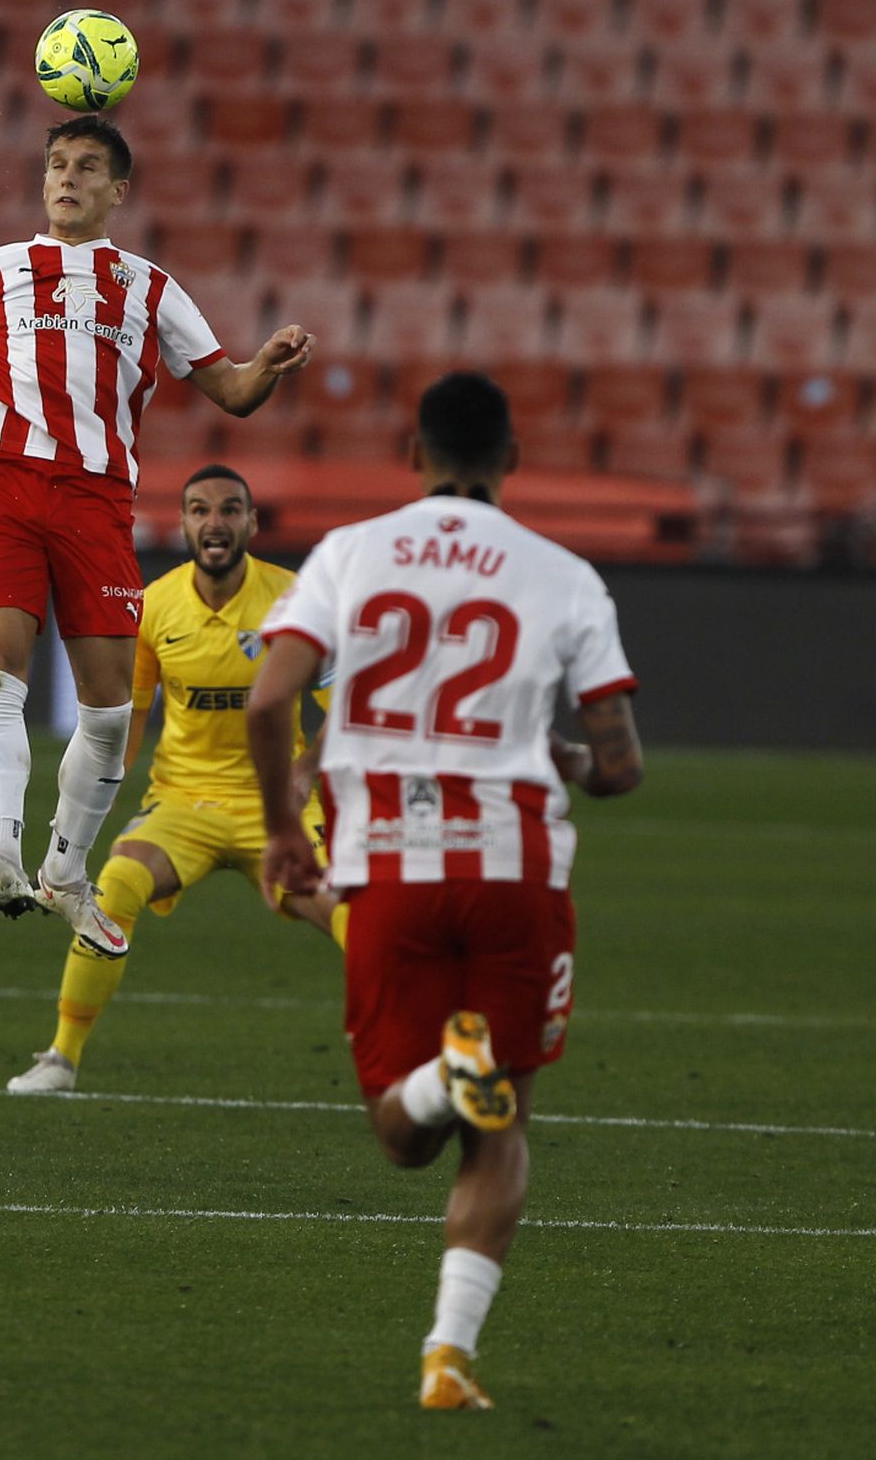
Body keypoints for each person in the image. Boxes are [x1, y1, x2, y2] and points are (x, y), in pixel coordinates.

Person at [246, 371, 643, 1413]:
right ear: (511, 460)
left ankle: (436, 1082)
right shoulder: (564, 574)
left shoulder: (350, 552)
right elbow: (620, 764)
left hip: (388, 866)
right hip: (515, 870)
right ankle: (447, 1356)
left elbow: (270, 698)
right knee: (501, 1122)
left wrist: (284, 830)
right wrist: (568, 759)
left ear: (413, 454)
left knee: (400, 1136)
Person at [0, 117, 314, 960]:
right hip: (4, 484)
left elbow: (233, 392)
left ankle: (63, 872)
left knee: (108, 707)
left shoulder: (152, 288)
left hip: (97, 499)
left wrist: (268, 365)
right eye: (57, 164)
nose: (67, 178)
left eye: (88, 167)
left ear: (117, 191)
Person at [6, 462, 347, 1094]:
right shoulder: (155, 605)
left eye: (229, 509)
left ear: (251, 522)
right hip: (183, 803)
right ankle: (61, 1057)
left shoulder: (295, 600)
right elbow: (126, 723)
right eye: (200, 510)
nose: (215, 522)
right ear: (184, 524)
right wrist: (89, 810)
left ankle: (416, 1037)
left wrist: (305, 774)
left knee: (347, 907)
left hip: (276, 807)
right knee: (117, 883)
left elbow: (344, 704)